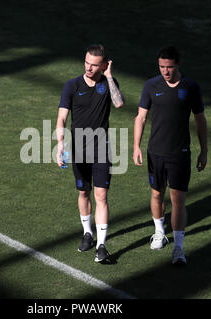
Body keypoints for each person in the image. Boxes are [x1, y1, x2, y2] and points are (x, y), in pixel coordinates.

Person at [133, 46, 208, 265]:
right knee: (157, 194)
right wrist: (136, 146)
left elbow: (200, 120)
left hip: (180, 153)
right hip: (155, 152)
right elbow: (140, 118)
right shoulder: (151, 85)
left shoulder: (191, 87)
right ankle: (159, 232)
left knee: (178, 200)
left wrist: (204, 150)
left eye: (169, 67)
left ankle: (178, 247)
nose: (165, 71)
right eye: (161, 67)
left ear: (178, 65)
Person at [56, 44, 124, 263]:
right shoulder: (71, 86)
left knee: (101, 195)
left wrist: (110, 76)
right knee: (83, 192)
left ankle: (102, 246)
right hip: (78, 148)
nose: (89, 68)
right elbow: (61, 119)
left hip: (102, 148)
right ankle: (88, 233)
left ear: (104, 65)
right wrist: (60, 145)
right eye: (87, 62)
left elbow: (119, 103)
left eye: (95, 65)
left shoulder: (108, 83)